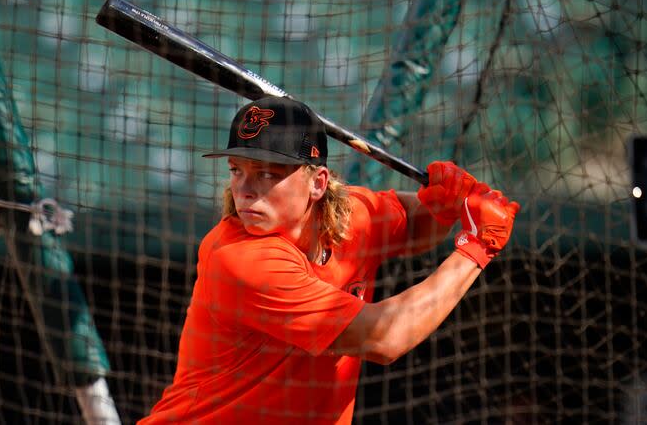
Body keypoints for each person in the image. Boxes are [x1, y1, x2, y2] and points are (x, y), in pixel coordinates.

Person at [138, 96, 520, 424]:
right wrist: (476, 247)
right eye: (237, 171)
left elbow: (414, 227)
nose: (245, 190)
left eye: (268, 173)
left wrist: (444, 205)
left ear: (318, 183)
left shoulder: (348, 216)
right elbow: (386, 337)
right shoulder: (240, 258)